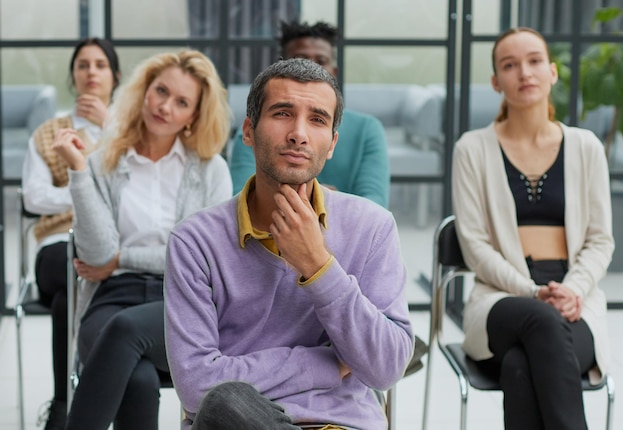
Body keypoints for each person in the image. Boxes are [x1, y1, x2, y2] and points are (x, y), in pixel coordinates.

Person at [164, 58, 414, 430]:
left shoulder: (372, 227)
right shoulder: (194, 241)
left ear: (331, 144)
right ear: (248, 131)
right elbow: (197, 388)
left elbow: (386, 369)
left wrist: (318, 267)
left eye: (317, 120)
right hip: (238, 425)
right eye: (282, 113)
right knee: (225, 404)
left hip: (339, 425)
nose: (298, 133)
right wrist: (328, 364)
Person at [52, 49, 232, 430]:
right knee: (137, 377)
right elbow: (96, 252)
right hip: (111, 298)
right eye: (160, 91)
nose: (165, 106)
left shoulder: (211, 170)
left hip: (183, 303)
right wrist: (79, 171)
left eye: (181, 102)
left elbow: (204, 261)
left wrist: (121, 259)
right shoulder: (103, 162)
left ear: (194, 116)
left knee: (125, 329)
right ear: (144, 90)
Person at [452, 27, 613, 430]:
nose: (524, 72)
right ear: (495, 81)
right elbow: (475, 247)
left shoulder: (587, 146)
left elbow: (600, 240)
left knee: (520, 367)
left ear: (553, 72)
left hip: (577, 300)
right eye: (510, 65)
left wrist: (572, 290)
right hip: (500, 297)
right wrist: (533, 292)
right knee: (538, 322)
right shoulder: (471, 149)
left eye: (534, 61)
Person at [20, 37, 120, 430]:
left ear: (114, 76)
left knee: (68, 297)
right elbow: (33, 195)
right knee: (70, 273)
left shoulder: (127, 132)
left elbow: (137, 189)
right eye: (83, 65)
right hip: (58, 244)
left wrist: (108, 131)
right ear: (73, 75)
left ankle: (66, 407)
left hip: (108, 244)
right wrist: (82, 191)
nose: (91, 72)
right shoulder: (49, 132)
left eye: (100, 65)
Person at [229, 20, 390, 208]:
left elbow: (374, 205)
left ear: (335, 72)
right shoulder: (255, 130)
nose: (310, 69)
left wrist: (320, 199)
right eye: (300, 60)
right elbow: (242, 198)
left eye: (321, 61)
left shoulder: (367, 130)